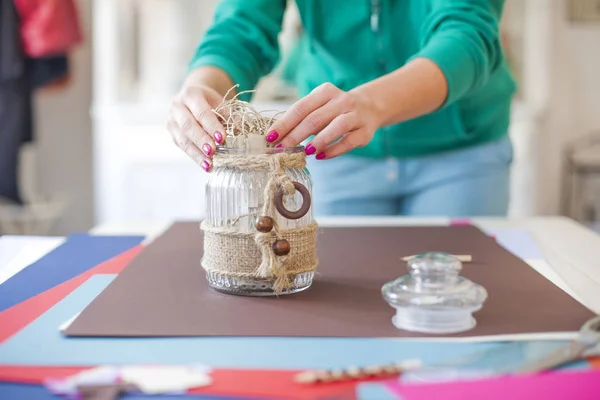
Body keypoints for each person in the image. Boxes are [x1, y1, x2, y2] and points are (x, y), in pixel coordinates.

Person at [167, 0, 517, 217]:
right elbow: (241, 28)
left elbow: (467, 34)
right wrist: (204, 86)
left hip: (459, 156)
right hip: (333, 152)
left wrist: (373, 103)